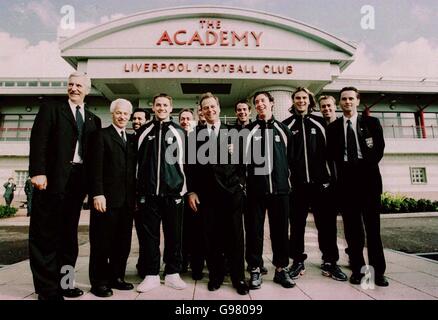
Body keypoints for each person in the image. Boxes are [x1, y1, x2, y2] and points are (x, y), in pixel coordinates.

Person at [28, 72, 101, 300]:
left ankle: (66, 284)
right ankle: (47, 290)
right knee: (46, 236)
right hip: (50, 182)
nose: (74, 88)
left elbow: (94, 158)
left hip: (77, 185)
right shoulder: (52, 109)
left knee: (69, 237)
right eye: (71, 84)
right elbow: (38, 141)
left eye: (79, 85)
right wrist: (38, 172)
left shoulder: (93, 120)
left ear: (87, 90)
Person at [187, 92, 249, 295]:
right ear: (202, 112)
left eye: (213, 106)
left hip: (232, 194)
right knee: (211, 238)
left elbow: (243, 163)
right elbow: (191, 167)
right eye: (206, 107)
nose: (210, 110)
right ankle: (216, 275)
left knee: (235, 237)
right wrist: (192, 191)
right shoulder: (195, 136)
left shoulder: (233, 132)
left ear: (219, 109)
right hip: (207, 196)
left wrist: (240, 185)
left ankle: (238, 277)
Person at [283, 87, 347, 282]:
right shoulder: (287, 125)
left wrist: (331, 180)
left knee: (326, 225)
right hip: (297, 185)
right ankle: (297, 261)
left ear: (309, 101)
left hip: (321, 185)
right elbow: (283, 157)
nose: (301, 101)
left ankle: (330, 262)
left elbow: (333, 155)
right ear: (293, 101)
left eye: (304, 98)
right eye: (297, 98)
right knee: (296, 226)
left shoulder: (321, 124)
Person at [327, 86, 388, 287]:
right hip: (346, 182)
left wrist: (364, 167)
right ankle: (359, 270)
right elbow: (332, 156)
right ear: (340, 103)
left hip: (368, 180)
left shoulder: (372, 123)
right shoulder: (334, 128)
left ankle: (378, 272)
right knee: (353, 231)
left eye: (351, 98)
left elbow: (379, 149)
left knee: (373, 230)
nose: (347, 102)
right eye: (344, 99)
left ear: (357, 101)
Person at [136, 93, 188, 293]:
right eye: (158, 104)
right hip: (148, 193)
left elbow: (186, 163)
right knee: (150, 236)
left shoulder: (179, 132)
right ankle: (151, 274)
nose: (161, 108)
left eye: (165, 105)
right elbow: (136, 164)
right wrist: (139, 188)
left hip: (173, 193)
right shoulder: (143, 131)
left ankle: (173, 273)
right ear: (153, 106)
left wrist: (183, 189)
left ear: (171, 107)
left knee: (174, 235)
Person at [245, 91, 295, 289]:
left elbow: (292, 160)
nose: (259, 104)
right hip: (255, 192)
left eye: (263, 101)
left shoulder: (284, 130)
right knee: (254, 232)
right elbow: (241, 163)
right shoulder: (247, 131)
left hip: (280, 191)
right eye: (256, 102)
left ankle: (281, 270)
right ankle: (255, 269)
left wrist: (287, 182)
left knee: (281, 232)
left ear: (271, 103)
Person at [87, 99, 136, 297]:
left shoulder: (131, 139)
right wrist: (97, 193)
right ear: (112, 114)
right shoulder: (101, 136)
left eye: (125, 114)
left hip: (126, 201)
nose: (122, 116)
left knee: (122, 243)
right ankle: (99, 282)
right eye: (118, 113)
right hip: (105, 200)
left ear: (130, 116)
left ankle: (117, 277)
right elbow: (94, 168)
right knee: (102, 243)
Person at [178, 108, 205, 280]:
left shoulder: (199, 139)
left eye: (188, 118)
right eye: (182, 118)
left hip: (196, 193)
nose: (185, 121)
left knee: (197, 231)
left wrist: (193, 190)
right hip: (178, 193)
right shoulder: (174, 138)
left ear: (194, 120)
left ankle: (197, 266)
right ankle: (181, 263)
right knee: (180, 231)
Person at [130, 107, 150, 278]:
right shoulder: (129, 139)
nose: (136, 122)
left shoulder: (149, 139)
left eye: (140, 119)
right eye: (134, 119)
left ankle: (145, 265)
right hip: (127, 193)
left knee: (145, 233)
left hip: (144, 194)